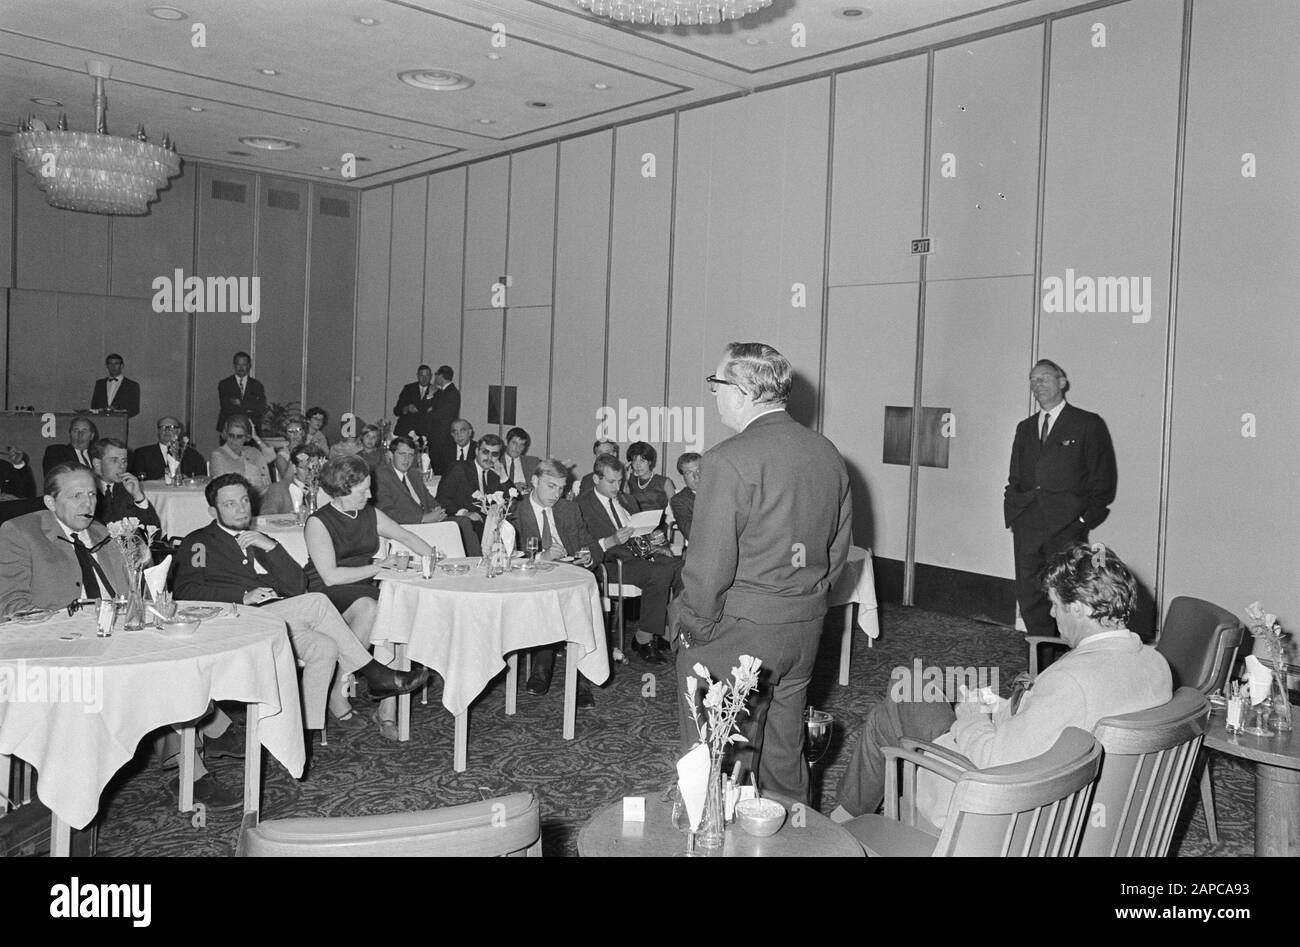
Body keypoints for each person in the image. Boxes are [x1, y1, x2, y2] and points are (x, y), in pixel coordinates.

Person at [833, 542, 1172, 827]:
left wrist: (973, 716)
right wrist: (1007, 706)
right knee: (910, 688)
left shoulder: (1072, 679)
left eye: (1055, 605)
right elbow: (1061, 720)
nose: (1053, 616)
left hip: (997, 803)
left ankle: (844, 821)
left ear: (1080, 607)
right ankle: (848, 815)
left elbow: (995, 761)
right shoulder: (1156, 664)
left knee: (902, 693)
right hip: (1082, 792)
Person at [673, 342, 852, 805]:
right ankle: (795, 837)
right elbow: (836, 549)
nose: (713, 393)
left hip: (741, 630)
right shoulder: (827, 453)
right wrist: (806, 600)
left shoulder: (729, 458)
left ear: (744, 391)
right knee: (782, 751)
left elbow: (709, 564)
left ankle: (714, 835)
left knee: (715, 757)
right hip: (804, 628)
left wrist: (695, 628)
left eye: (717, 383)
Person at [0, 465, 241, 807]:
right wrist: (77, 615)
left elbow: (131, 593)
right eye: (76, 495)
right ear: (50, 502)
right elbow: (11, 603)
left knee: (180, 655)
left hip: (116, 636)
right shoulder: (19, 532)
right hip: (63, 649)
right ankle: (198, 754)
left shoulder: (102, 532)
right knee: (157, 675)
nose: (88, 503)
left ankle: (199, 736)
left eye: (92, 494)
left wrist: (143, 570)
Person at [172, 474, 429, 734]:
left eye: (244, 500)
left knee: (324, 646)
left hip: (274, 617)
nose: (241, 509)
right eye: (230, 504)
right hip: (238, 619)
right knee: (317, 601)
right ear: (211, 510)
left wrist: (271, 547)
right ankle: (374, 672)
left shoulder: (259, 539)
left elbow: (296, 586)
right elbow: (185, 591)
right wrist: (243, 596)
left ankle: (303, 734)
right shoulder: (200, 542)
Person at [304, 456, 436, 740]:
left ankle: (386, 708)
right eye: (363, 490)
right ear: (341, 490)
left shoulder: (369, 513)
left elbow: (405, 535)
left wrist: (434, 560)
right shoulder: (318, 522)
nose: (370, 494)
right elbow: (330, 576)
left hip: (362, 585)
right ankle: (339, 692)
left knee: (390, 609)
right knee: (372, 608)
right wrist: (380, 566)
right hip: (323, 593)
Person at [1005, 359, 1117, 637]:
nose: (1037, 385)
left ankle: (1065, 654)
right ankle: (1040, 655)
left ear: (1062, 382)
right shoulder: (1025, 427)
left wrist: (1082, 519)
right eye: (1032, 380)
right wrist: (1014, 509)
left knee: (1066, 591)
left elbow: (1103, 478)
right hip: (1027, 521)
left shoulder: (1087, 423)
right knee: (1029, 593)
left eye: (1043, 378)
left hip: (1066, 524)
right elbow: (1015, 477)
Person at [578, 455, 681, 664]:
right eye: (611, 482)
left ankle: (666, 628)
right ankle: (644, 638)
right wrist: (611, 540)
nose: (617, 487)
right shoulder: (581, 505)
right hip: (610, 563)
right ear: (596, 479)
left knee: (682, 568)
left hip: (640, 555)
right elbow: (582, 546)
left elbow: (642, 530)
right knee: (659, 573)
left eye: (620, 481)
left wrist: (657, 541)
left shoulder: (627, 499)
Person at [513, 459, 599, 707]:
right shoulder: (515, 510)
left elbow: (591, 543)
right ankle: (543, 665)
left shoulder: (569, 509)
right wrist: (541, 557)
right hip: (532, 579)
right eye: (551, 486)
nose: (556, 494)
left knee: (582, 598)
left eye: (561, 488)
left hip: (570, 574)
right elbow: (506, 556)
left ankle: (582, 677)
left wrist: (588, 555)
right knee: (554, 596)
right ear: (534, 481)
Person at [435, 433, 505, 547]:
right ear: (477, 451)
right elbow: (441, 500)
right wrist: (464, 513)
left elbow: (513, 501)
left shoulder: (494, 476)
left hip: (489, 528)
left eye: (494, 454)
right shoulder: (459, 468)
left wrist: (504, 476)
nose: (489, 458)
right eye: (485, 452)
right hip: (464, 524)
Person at [90, 438, 161, 531]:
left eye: (124, 460)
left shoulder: (126, 487)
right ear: (97, 463)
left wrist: (138, 496)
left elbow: (153, 531)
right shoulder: (86, 489)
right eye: (114, 460)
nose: (122, 466)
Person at [209, 414, 277, 499]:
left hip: (264, 498)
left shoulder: (252, 451)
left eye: (239, 436)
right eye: (231, 435)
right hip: (237, 499)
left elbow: (271, 457)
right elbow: (220, 485)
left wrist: (256, 437)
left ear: (247, 437)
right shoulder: (218, 454)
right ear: (225, 434)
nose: (234, 440)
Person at [130, 416, 207, 481]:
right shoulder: (143, 453)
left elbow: (202, 477)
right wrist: (159, 482)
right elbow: (137, 479)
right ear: (158, 431)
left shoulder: (192, 454)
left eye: (171, 427)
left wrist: (186, 479)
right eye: (163, 427)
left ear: (179, 431)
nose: (166, 430)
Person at [260, 443, 327, 516]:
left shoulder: (326, 490)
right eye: (305, 468)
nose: (311, 473)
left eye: (315, 468)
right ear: (294, 468)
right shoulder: (278, 490)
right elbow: (266, 518)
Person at [216, 351, 268, 432]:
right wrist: (250, 406)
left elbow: (261, 407)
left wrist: (240, 403)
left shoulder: (257, 385)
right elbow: (226, 407)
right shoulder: (224, 384)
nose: (241, 368)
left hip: (251, 430)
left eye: (244, 365)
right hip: (229, 430)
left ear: (249, 366)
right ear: (234, 366)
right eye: (238, 364)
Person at [623, 441, 675, 513]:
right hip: (635, 522)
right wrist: (625, 481)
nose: (638, 465)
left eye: (642, 461)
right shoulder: (629, 480)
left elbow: (676, 510)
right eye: (634, 461)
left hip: (658, 523)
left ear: (650, 462)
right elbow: (625, 507)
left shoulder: (664, 482)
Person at [428, 366, 461, 474]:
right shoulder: (440, 392)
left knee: (441, 469)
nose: (435, 378)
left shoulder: (451, 393)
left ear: (441, 376)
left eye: (436, 375)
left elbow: (440, 415)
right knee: (436, 467)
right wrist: (430, 395)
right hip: (437, 437)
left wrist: (431, 411)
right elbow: (427, 410)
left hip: (443, 439)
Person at [393, 364, 436, 439]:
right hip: (405, 430)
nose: (424, 378)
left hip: (424, 433)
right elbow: (396, 410)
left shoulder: (435, 391)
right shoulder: (408, 389)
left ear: (431, 376)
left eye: (427, 376)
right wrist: (406, 408)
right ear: (417, 376)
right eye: (421, 376)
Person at [90, 353, 141, 417]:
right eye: (110, 363)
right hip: (100, 422)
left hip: (120, 423)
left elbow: (134, 409)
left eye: (116, 363)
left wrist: (117, 412)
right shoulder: (99, 384)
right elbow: (94, 406)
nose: (113, 366)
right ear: (107, 366)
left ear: (122, 366)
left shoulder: (132, 385)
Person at [669, 452, 701, 542]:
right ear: (681, 478)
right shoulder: (679, 500)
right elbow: (691, 533)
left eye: (699, 470)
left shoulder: (721, 493)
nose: (696, 476)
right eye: (689, 473)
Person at [272, 415, 308, 481]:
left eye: (298, 430)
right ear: (286, 435)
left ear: (303, 432)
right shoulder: (281, 455)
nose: (295, 433)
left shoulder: (309, 450)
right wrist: (293, 452)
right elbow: (286, 480)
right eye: (290, 431)